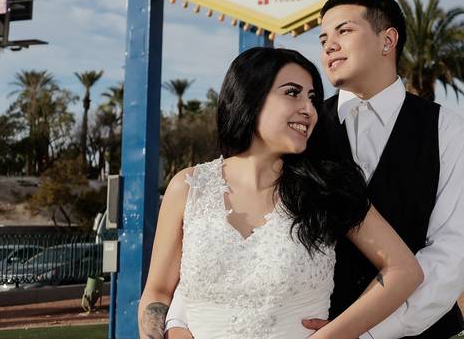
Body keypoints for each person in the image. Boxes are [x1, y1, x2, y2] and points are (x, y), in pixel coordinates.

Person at [140, 47, 423, 339]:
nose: (309, 109)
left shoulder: (327, 187)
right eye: (292, 93)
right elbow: (158, 292)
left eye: (312, 98)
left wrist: (334, 335)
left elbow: (404, 271)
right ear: (250, 96)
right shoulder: (188, 187)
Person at [304, 0, 464, 339]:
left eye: (344, 31)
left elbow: (453, 253)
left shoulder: (447, 129)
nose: (329, 45)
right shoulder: (304, 128)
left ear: (388, 40)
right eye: (324, 37)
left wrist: (365, 333)